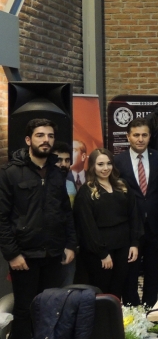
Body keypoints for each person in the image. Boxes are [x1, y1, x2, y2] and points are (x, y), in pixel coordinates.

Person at [0, 119, 76, 339]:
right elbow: (2, 218)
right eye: (40, 135)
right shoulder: (10, 173)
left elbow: (65, 212)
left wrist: (70, 244)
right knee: (25, 310)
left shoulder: (57, 172)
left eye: (50, 136)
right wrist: (12, 254)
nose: (46, 140)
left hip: (53, 254)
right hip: (24, 256)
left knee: (51, 308)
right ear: (28, 140)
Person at [74, 148, 142, 299]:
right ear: (92, 166)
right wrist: (102, 253)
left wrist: (134, 243)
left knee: (119, 289)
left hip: (124, 248)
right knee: (103, 291)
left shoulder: (122, 185)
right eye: (100, 164)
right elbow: (87, 227)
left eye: (109, 163)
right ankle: (102, 322)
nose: (105, 168)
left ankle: (116, 321)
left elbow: (134, 215)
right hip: (100, 252)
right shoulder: (86, 192)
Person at [114, 118, 158, 307]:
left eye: (144, 135)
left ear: (150, 137)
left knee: (153, 270)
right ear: (128, 137)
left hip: (155, 224)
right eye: (136, 135)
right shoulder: (117, 161)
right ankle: (132, 309)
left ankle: (150, 308)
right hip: (130, 227)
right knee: (130, 270)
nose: (140, 139)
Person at [51, 141, 77, 287]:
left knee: (67, 289)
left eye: (67, 160)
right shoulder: (43, 182)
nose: (63, 164)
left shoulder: (70, 183)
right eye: (59, 160)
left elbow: (71, 216)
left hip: (68, 244)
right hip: (48, 248)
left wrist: (72, 245)